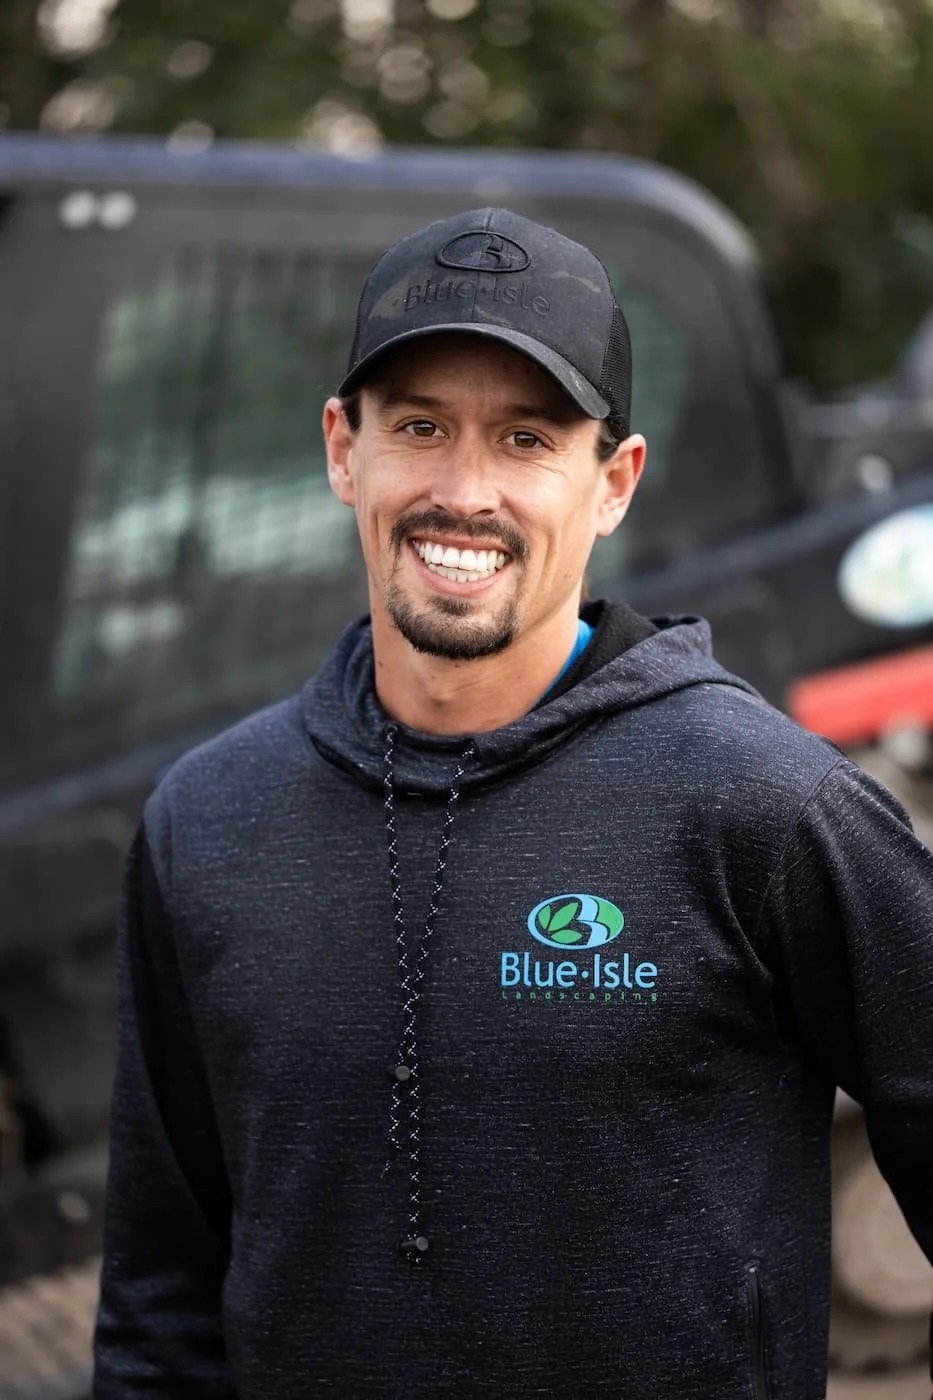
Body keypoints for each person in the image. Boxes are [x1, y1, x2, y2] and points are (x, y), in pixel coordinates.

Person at [93, 207, 933, 1399]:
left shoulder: (767, 805)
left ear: (613, 481)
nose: (465, 490)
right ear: (344, 449)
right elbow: (159, 1298)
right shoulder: (207, 820)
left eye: (528, 438)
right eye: (421, 427)